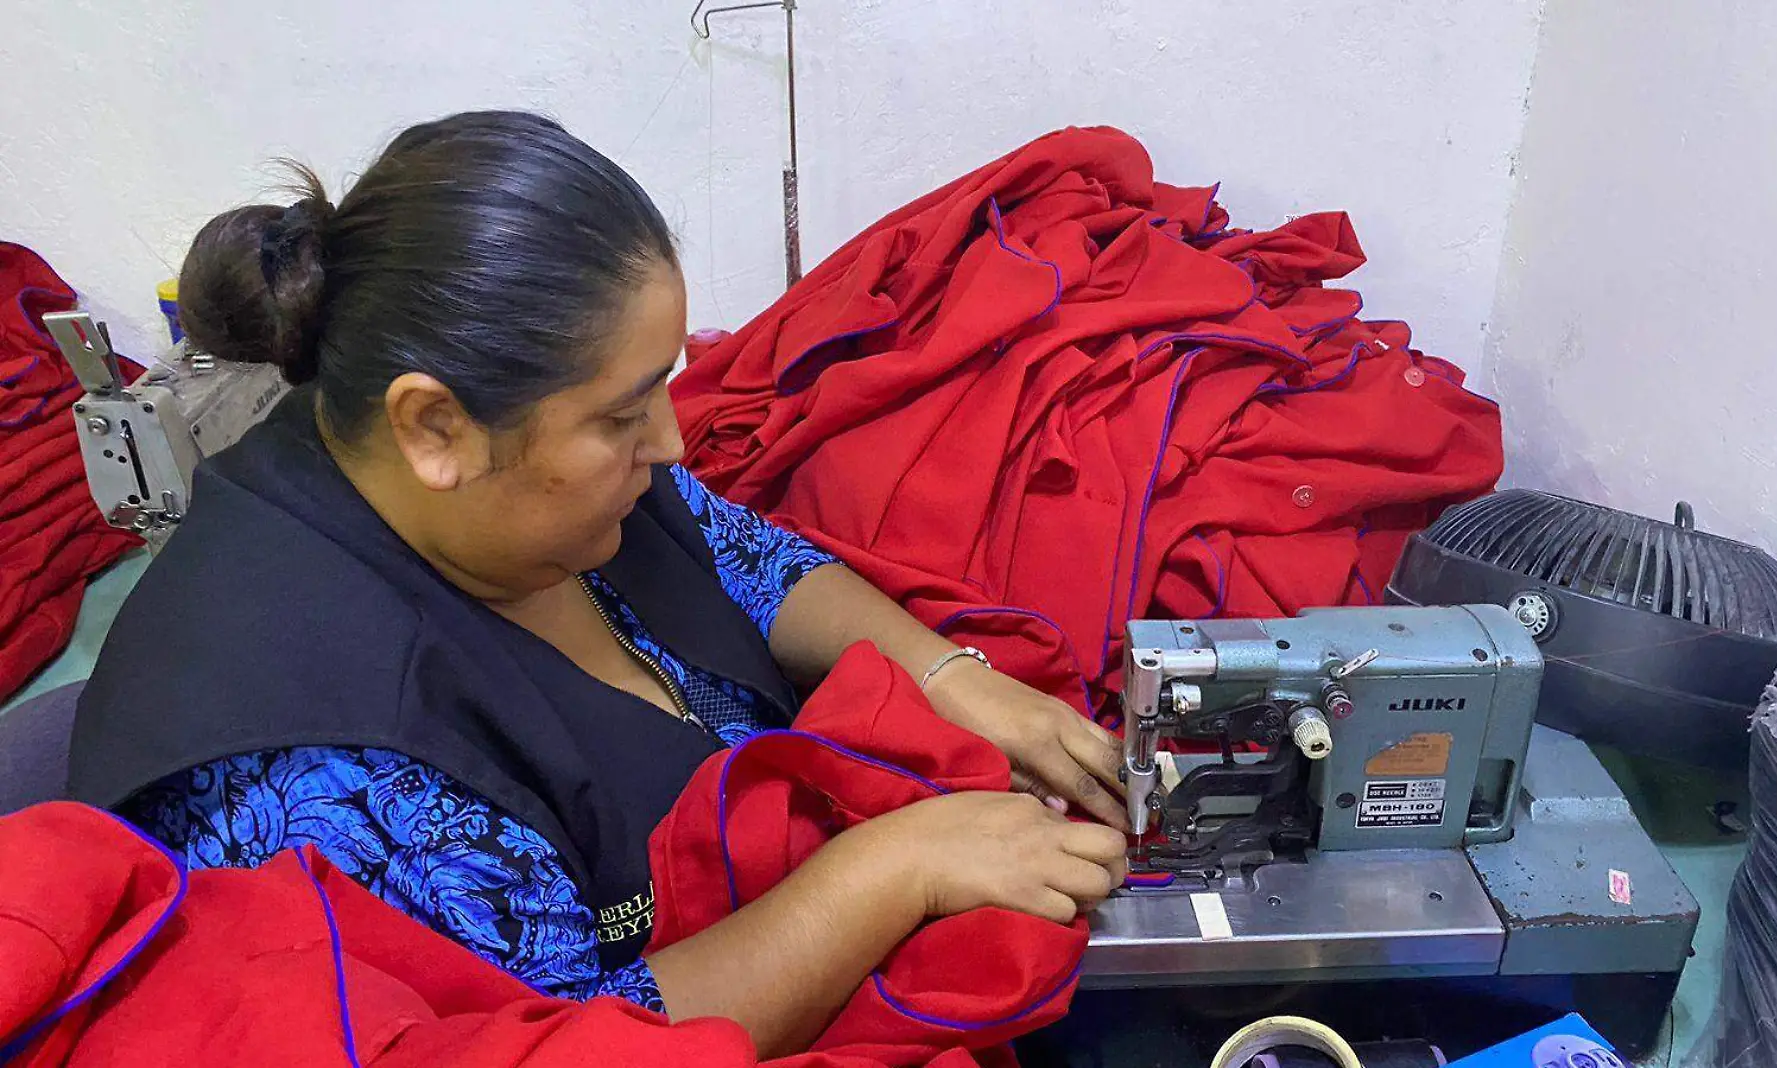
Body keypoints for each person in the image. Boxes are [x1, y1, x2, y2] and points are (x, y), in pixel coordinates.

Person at [67, 111, 1127, 1058]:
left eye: (657, 388)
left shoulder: (477, 472)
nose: (669, 441)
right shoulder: (329, 782)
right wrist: (891, 873)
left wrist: (950, 677)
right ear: (434, 425)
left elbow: (751, 561)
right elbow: (579, 1039)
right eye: (623, 416)